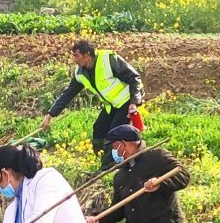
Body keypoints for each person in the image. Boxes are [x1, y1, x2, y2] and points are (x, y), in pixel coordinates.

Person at [36, 40, 143, 168]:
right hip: (111, 105)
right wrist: (50, 114)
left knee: (115, 133)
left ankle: (111, 166)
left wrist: (134, 102)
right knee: (99, 128)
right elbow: (68, 93)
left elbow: (134, 78)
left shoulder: (108, 59)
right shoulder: (80, 72)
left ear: (87, 54)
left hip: (126, 101)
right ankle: (99, 160)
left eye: (76, 55)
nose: (74, 59)